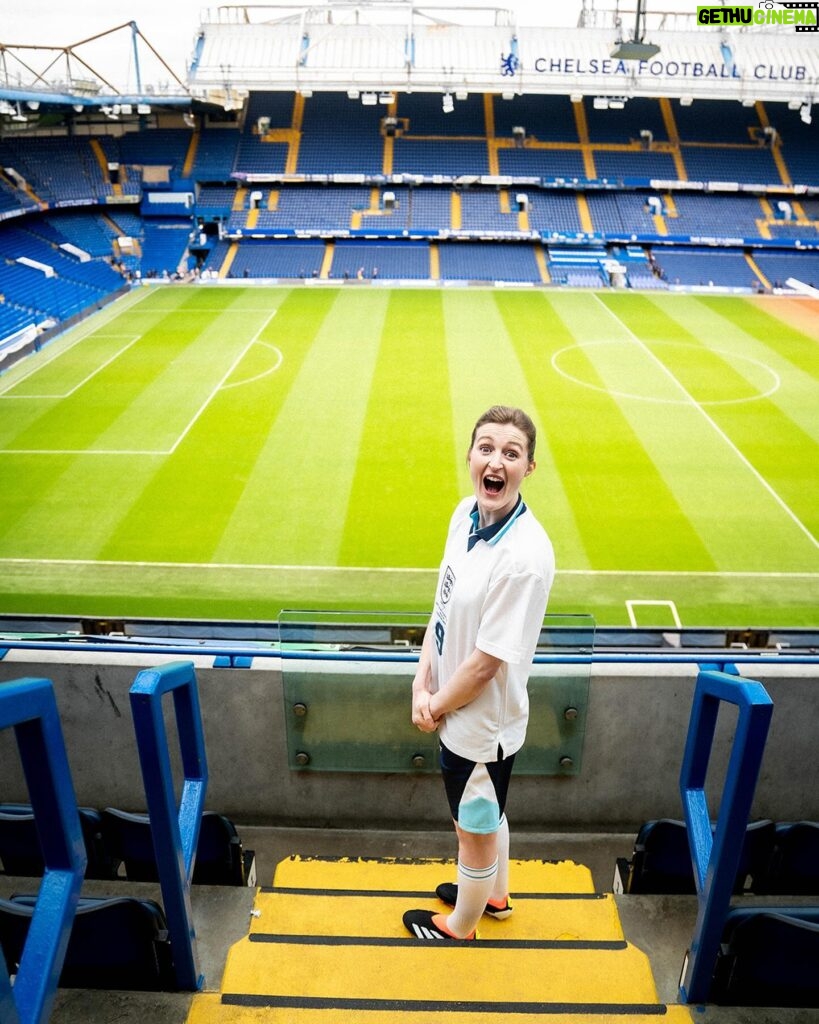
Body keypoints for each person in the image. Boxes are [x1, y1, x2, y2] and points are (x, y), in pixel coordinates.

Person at [403, 405, 555, 941]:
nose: (496, 461)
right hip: (451, 705)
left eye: (511, 453)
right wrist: (422, 679)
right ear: (470, 456)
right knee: (486, 811)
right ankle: (493, 893)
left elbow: (486, 665)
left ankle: (461, 926)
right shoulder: (464, 513)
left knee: (473, 827)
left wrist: (435, 705)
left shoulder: (524, 557)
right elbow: (442, 608)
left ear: (528, 468)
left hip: (479, 724)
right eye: (486, 448)